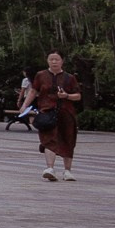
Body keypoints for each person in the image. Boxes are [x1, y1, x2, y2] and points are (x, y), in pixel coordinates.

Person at [31, 52, 81, 182]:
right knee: (49, 139)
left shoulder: (69, 78)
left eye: (57, 59)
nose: (54, 62)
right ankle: (50, 168)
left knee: (68, 140)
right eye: (51, 59)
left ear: (62, 61)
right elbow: (34, 91)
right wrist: (24, 105)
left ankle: (67, 170)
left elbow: (78, 96)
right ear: (47, 61)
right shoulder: (40, 75)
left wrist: (67, 96)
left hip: (66, 112)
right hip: (47, 111)